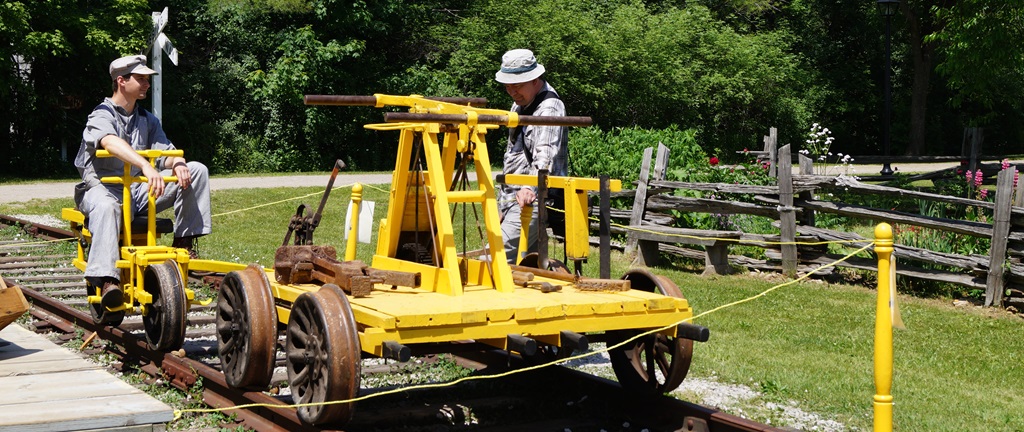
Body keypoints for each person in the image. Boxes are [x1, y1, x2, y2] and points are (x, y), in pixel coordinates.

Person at [73, 54, 211, 307]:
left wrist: (178, 164)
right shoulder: (100, 114)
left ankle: (184, 241)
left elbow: (165, 150)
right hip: (104, 189)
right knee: (106, 207)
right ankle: (107, 281)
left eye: (148, 79)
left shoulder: (147, 118)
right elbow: (109, 142)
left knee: (197, 169)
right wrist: (145, 165)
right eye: (141, 79)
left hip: (137, 190)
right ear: (122, 81)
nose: (147, 83)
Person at [494, 49, 569, 265]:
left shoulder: (549, 107)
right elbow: (513, 155)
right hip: (516, 196)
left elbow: (545, 153)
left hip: (533, 197)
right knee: (528, 263)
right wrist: (504, 202)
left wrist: (529, 187)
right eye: (508, 86)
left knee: (495, 257)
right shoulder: (520, 103)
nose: (511, 91)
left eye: (516, 85)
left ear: (534, 79)